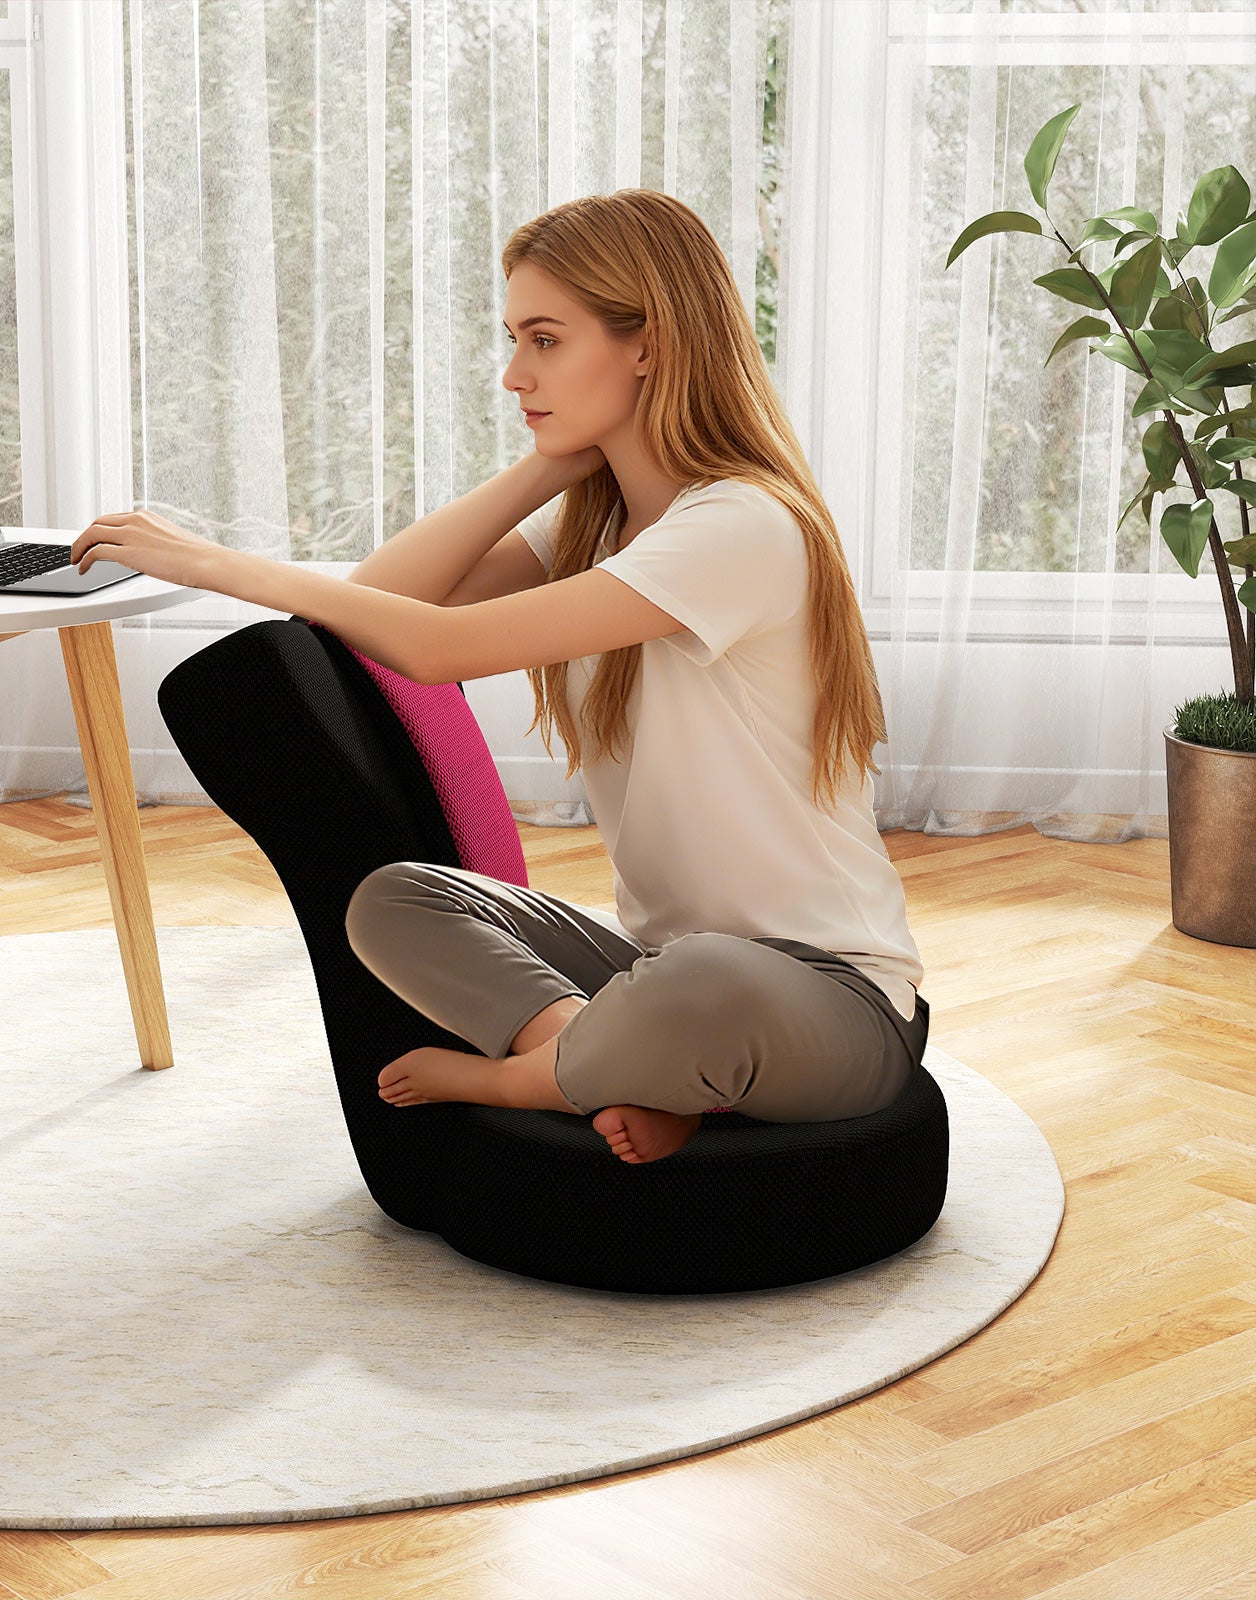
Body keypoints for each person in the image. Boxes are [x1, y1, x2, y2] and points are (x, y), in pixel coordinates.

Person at [70, 188, 930, 1167]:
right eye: (513, 338)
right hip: (652, 975)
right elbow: (374, 606)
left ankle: (533, 1078)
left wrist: (217, 562)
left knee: (705, 979)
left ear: (644, 344)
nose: (515, 372)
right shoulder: (596, 525)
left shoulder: (739, 525)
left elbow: (438, 650)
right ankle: (597, 1058)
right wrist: (545, 469)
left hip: (835, 1000)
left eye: (545, 340)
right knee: (394, 902)